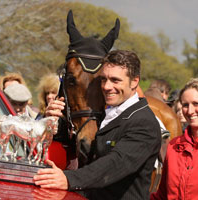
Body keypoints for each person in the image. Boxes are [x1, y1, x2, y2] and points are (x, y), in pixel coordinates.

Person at [33, 50, 162, 200]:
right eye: (103, 79)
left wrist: (68, 179)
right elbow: (77, 142)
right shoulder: (103, 114)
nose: (106, 86)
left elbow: (115, 163)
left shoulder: (143, 123)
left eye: (115, 80)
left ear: (134, 81)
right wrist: (52, 123)